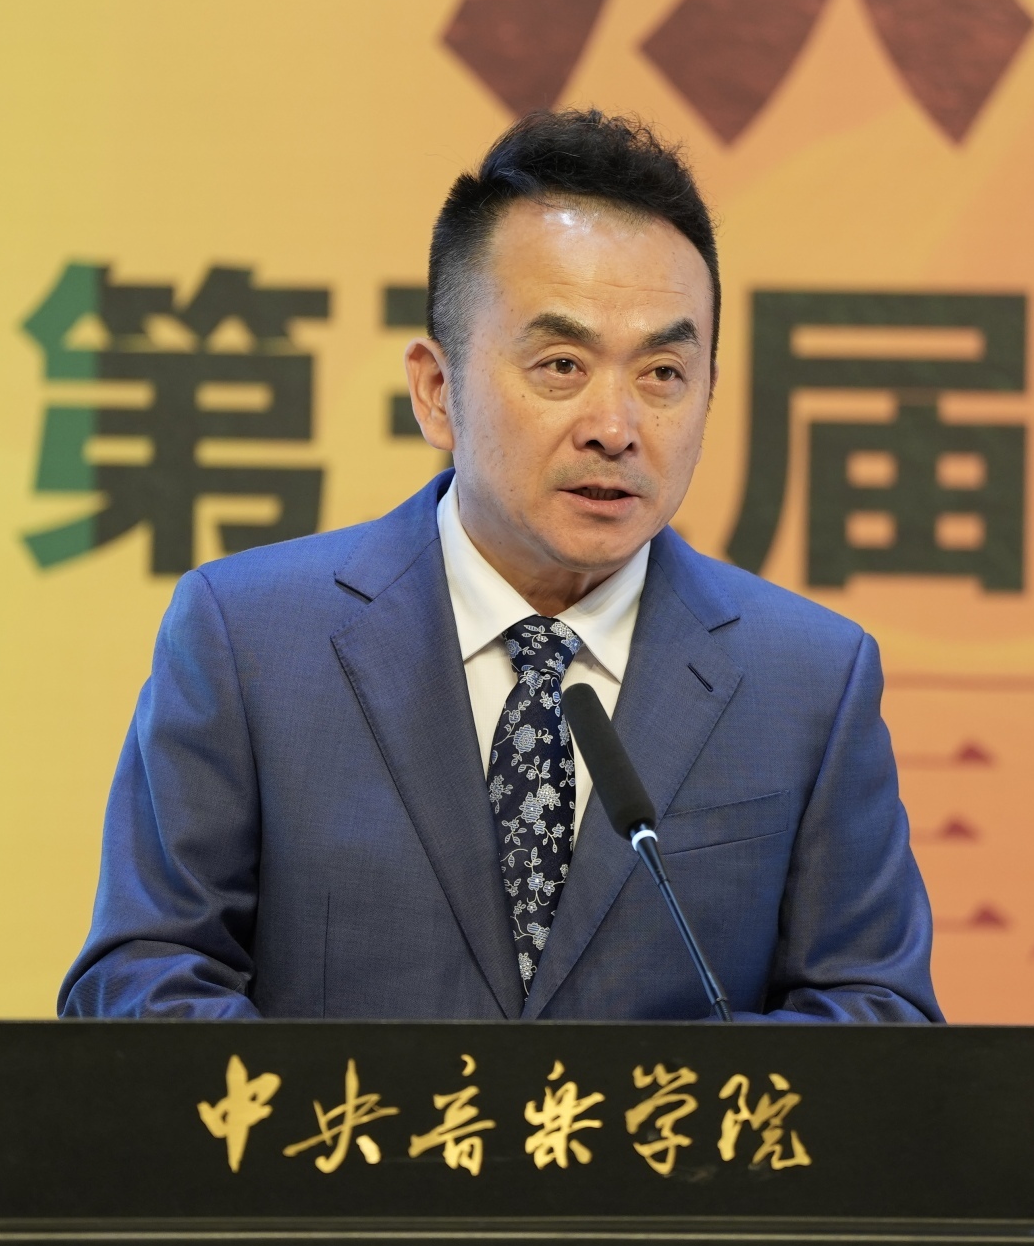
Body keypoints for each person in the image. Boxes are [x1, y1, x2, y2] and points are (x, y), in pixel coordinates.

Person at [59, 110, 941, 1024]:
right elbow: (145, 981)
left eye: (663, 374)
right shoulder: (249, 641)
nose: (615, 427)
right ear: (436, 391)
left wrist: (642, 1105)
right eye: (561, 364)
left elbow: (879, 1014)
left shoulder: (808, 681)